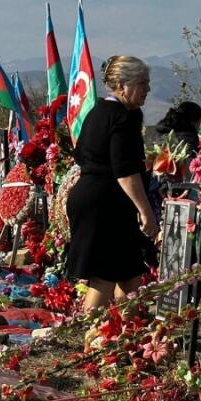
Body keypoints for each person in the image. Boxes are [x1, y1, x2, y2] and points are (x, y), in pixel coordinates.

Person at [65, 56, 157, 311]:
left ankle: (128, 334)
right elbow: (125, 171)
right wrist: (146, 211)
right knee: (104, 277)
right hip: (105, 203)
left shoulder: (98, 112)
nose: (147, 90)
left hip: (95, 197)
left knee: (128, 272)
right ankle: (91, 339)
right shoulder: (121, 118)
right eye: (142, 83)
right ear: (122, 84)